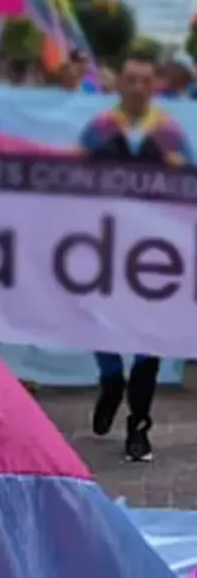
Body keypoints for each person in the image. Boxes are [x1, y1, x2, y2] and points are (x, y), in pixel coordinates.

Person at [79, 53, 192, 463]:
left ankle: (138, 426)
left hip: (153, 254)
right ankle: (111, 381)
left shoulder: (169, 133)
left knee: (149, 340)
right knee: (98, 320)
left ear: (155, 85)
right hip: (105, 245)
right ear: (120, 84)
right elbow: (71, 177)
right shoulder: (99, 130)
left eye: (146, 80)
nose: (138, 87)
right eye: (131, 79)